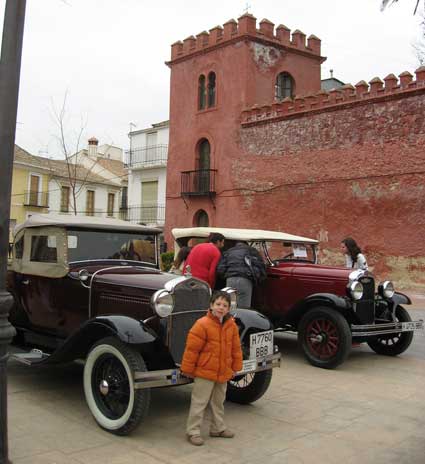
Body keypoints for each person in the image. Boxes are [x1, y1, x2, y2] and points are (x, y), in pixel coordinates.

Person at [181, 291, 243, 446]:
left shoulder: (231, 325)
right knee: (199, 402)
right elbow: (192, 349)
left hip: (223, 371)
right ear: (211, 305)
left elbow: (236, 348)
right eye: (218, 304)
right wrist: (187, 368)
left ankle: (218, 428)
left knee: (218, 402)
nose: (221, 308)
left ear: (229, 309)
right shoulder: (202, 324)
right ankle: (193, 431)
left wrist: (236, 365)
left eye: (225, 305)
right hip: (205, 371)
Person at [217, 241, 266, 308]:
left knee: (229, 305)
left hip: (230, 279)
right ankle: (240, 318)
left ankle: (230, 318)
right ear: (246, 244)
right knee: (244, 307)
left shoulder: (228, 251)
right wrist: (257, 279)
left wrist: (226, 276)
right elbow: (260, 266)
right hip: (245, 280)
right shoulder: (252, 251)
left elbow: (220, 269)